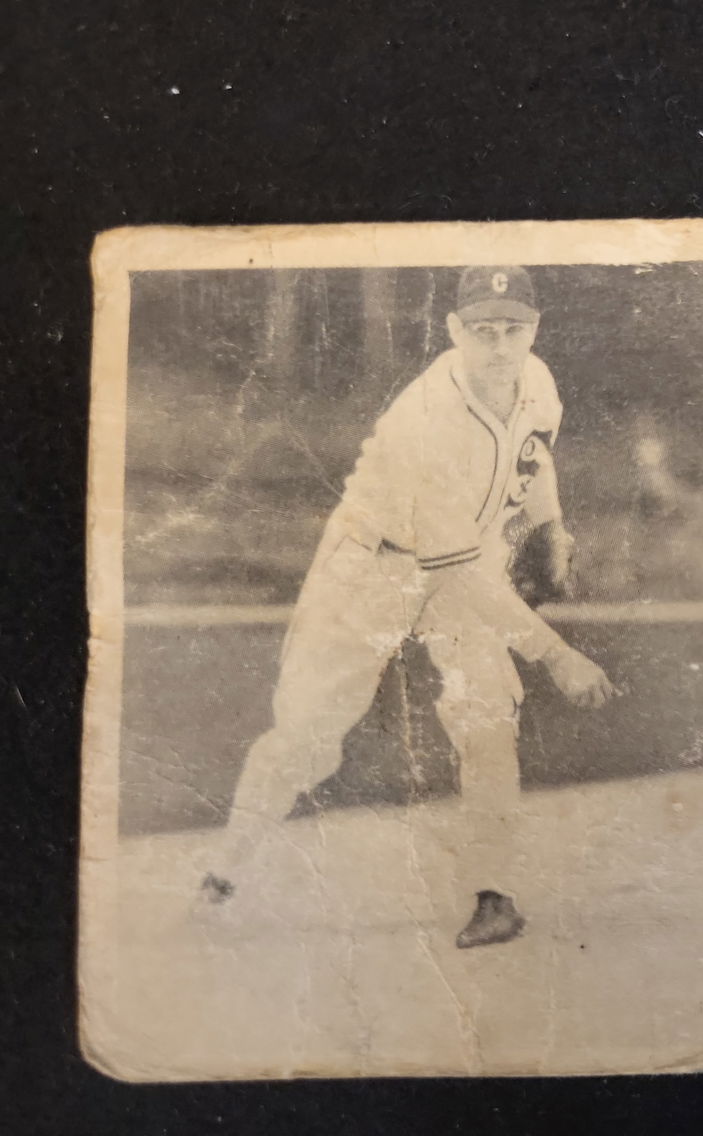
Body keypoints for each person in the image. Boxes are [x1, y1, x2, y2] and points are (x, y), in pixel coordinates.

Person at [203, 265, 618, 948]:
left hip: (462, 558)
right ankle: (221, 878)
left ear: (534, 329)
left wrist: (550, 526)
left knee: (487, 715)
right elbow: (459, 579)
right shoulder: (428, 419)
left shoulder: (537, 379)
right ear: (454, 330)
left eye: (513, 327)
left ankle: (494, 897)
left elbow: (534, 457)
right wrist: (557, 652)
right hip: (370, 564)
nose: (499, 343)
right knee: (306, 738)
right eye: (482, 329)